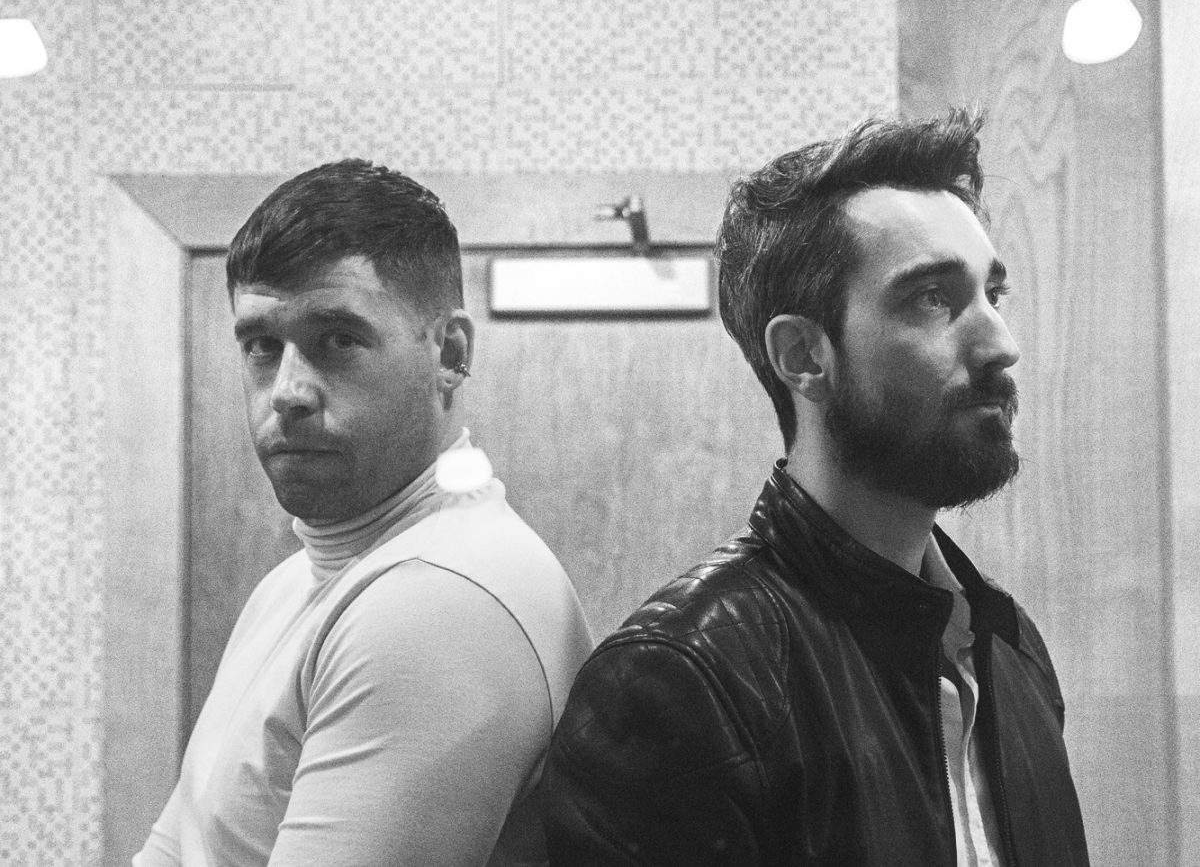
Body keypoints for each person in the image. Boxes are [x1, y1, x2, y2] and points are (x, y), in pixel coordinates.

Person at [541, 111, 1089, 866]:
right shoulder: (681, 681)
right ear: (803, 355)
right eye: (933, 298)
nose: (1002, 343)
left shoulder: (1009, 647)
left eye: (993, 294)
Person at [135, 160, 594, 867]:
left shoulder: (440, 597)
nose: (287, 391)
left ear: (450, 353)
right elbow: (176, 849)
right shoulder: (295, 582)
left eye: (337, 340)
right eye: (261, 346)